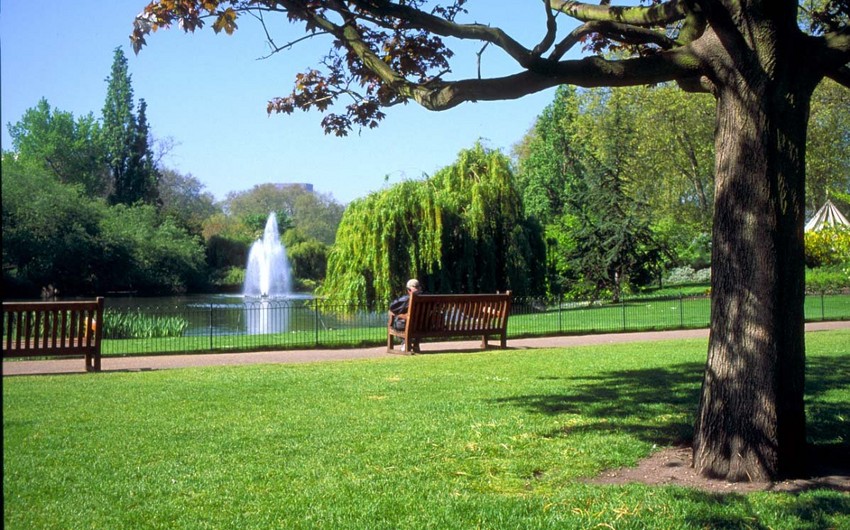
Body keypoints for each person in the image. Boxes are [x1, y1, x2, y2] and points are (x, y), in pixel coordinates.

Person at [389, 278, 422, 351]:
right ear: (419, 288)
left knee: (400, 322)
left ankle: (405, 343)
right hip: (422, 326)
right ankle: (416, 344)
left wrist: (400, 314)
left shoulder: (406, 299)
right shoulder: (425, 298)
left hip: (406, 325)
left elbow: (392, 307)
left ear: (408, 290)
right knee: (418, 323)